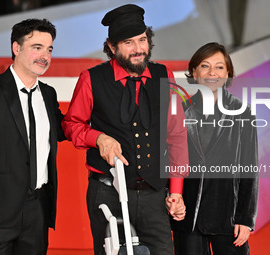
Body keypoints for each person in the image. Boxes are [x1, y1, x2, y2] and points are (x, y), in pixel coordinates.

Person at [62, 4, 188, 255]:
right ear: (111, 47)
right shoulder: (91, 78)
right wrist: (98, 138)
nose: (139, 49)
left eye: (142, 40)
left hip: (154, 195)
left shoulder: (165, 75)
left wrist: (176, 191)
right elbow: (71, 124)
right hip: (108, 192)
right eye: (128, 42)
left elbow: (176, 135)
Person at [0, 18, 66, 255]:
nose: (45, 55)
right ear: (16, 48)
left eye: (49, 49)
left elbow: (65, 129)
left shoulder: (49, 94)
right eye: (37, 47)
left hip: (38, 210)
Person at [171, 42, 259, 255]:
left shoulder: (244, 113)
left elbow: (250, 168)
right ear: (194, 72)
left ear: (228, 73)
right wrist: (171, 198)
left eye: (219, 67)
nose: (212, 73)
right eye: (205, 66)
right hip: (188, 218)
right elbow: (170, 161)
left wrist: (245, 219)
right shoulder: (179, 112)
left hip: (228, 217)